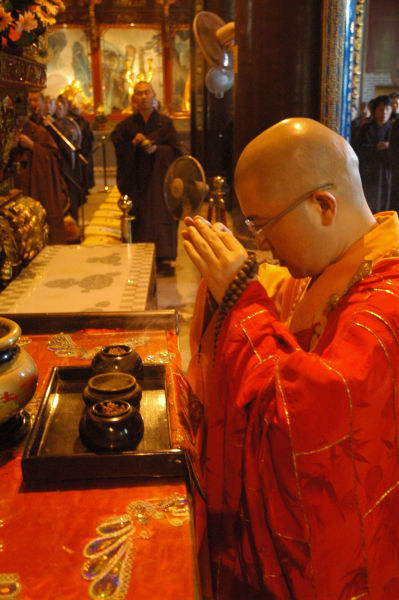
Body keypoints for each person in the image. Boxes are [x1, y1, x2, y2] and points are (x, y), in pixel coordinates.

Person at [182, 117, 399, 599]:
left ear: (324, 205)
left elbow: (311, 413)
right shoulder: (335, 261)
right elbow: (287, 301)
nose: (260, 244)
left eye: (263, 224)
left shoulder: (386, 306)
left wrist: (242, 296)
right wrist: (232, 285)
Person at [111, 81, 183, 275]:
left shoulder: (165, 123)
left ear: (154, 96)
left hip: (160, 181)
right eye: (139, 94)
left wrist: (157, 150)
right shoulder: (127, 126)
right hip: (137, 181)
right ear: (134, 99)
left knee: (161, 218)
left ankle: (163, 258)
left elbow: (177, 151)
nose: (143, 97)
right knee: (141, 218)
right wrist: (133, 144)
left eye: (147, 93)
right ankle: (141, 257)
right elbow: (119, 147)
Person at [354, 94, 393, 213]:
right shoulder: (366, 128)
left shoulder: (394, 128)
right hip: (369, 172)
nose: (384, 112)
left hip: (387, 172)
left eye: (387, 109)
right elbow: (357, 149)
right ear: (375, 110)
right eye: (381, 109)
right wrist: (375, 147)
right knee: (369, 204)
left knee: (386, 204)